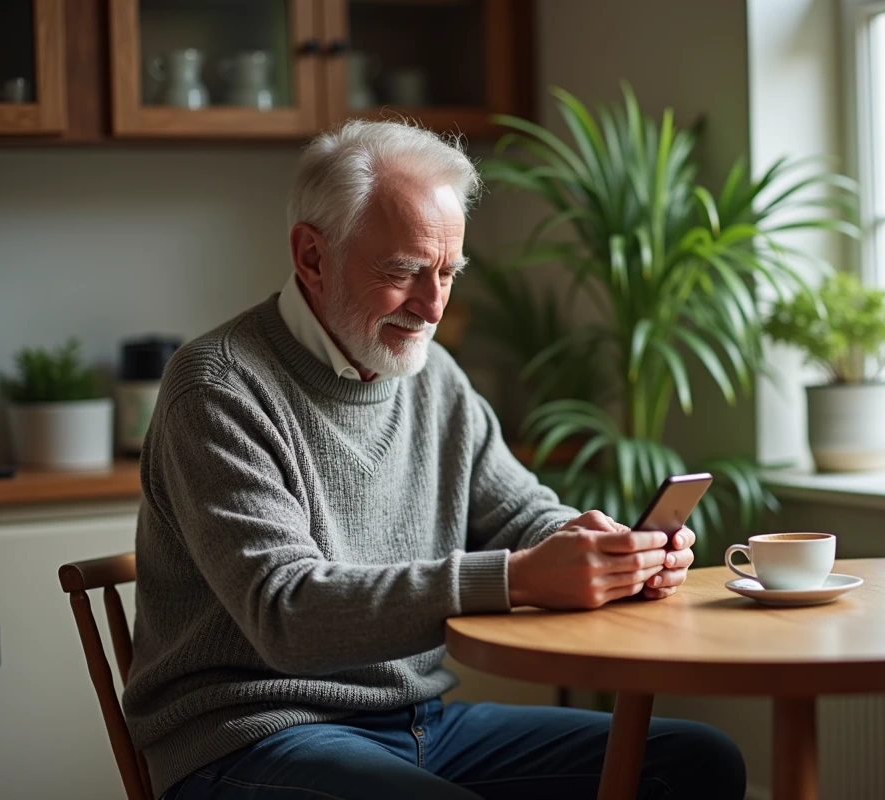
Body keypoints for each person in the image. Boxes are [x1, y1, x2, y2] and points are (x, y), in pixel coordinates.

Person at [123, 120, 746, 800]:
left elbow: (522, 514)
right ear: (311, 256)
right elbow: (286, 613)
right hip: (250, 734)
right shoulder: (218, 386)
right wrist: (521, 580)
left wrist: (606, 550)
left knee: (698, 760)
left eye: (447, 272)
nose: (433, 304)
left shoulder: (433, 376)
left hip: (420, 723)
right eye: (403, 272)